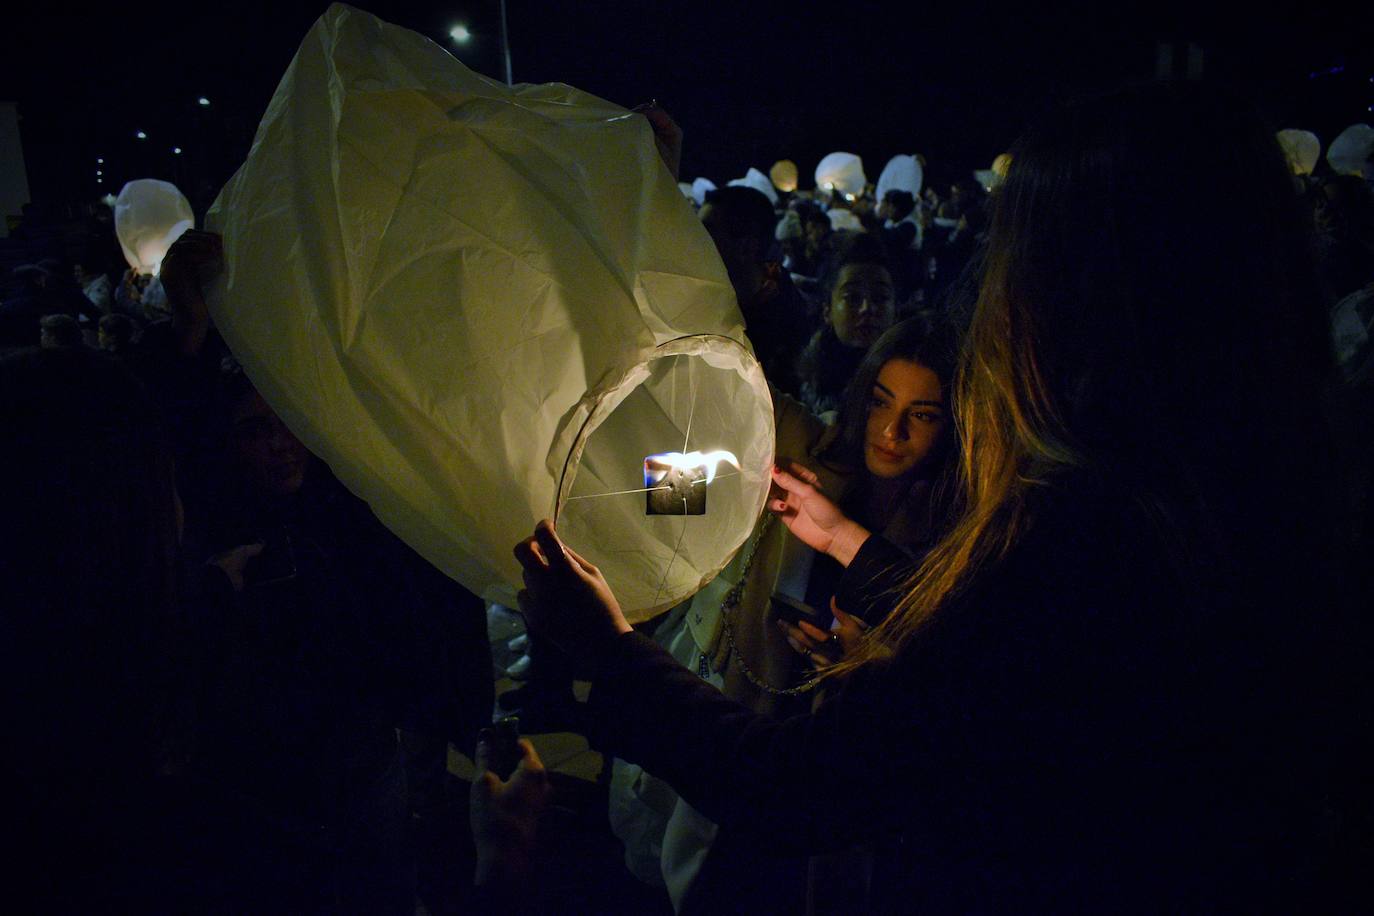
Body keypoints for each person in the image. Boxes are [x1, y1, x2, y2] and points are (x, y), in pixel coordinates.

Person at [515, 84, 1358, 911]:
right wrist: (842, 537)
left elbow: (806, 779)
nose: (892, 433)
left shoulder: (1076, 530)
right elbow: (686, 477)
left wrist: (611, 651)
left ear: (1073, 300)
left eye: (1013, 259)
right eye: (879, 404)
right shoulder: (1269, 502)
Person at [608, 318, 958, 910]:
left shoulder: (952, 533)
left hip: (822, 769)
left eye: (921, 415)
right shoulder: (804, 452)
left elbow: (943, 659)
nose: (891, 431)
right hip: (734, 700)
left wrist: (861, 664)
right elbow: (658, 493)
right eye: (879, 402)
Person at [699, 185, 811, 395]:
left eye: (706, 232)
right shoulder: (701, 303)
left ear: (746, 246)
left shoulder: (789, 330)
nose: (692, 241)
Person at [794, 232, 898, 417]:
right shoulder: (798, 381)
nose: (867, 308)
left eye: (880, 297)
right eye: (853, 298)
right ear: (828, 311)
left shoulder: (913, 377)